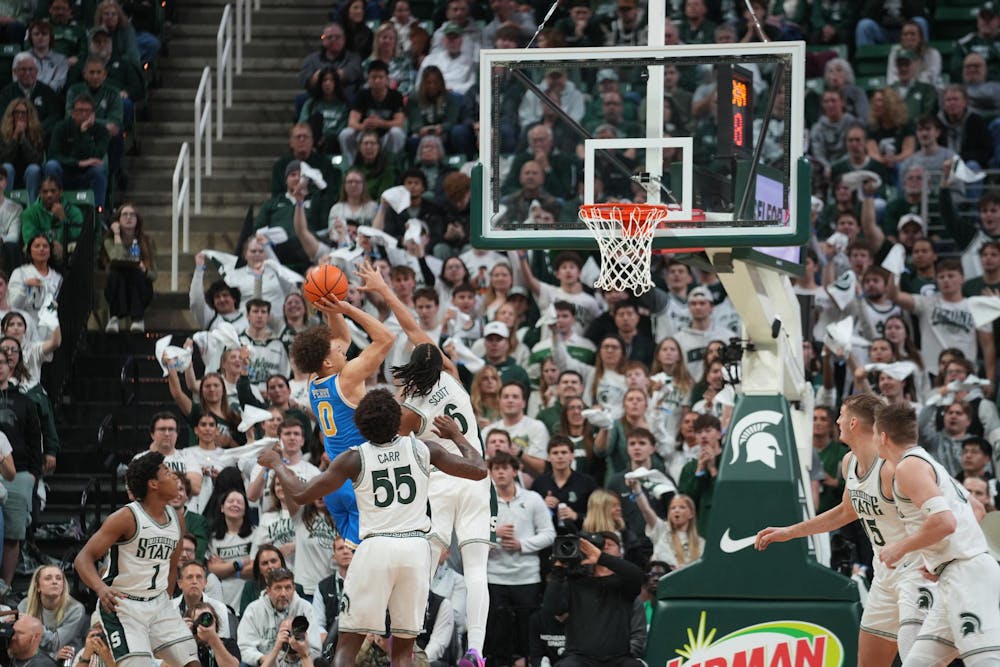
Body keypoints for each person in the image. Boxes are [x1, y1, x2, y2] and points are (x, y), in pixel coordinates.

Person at [258, 390, 488, 667]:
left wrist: (276, 463)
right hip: (416, 551)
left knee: (347, 647)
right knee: (402, 652)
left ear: (360, 425)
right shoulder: (423, 448)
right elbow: (478, 469)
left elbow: (300, 493)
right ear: (396, 419)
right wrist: (456, 435)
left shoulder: (353, 459)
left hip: (375, 549)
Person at [358, 262, 489, 667]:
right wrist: (386, 291)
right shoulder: (452, 375)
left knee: (426, 563)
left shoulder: (412, 410)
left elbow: (382, 430)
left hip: (443, 478)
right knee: (476, 569)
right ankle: (476, 650)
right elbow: (414, 329)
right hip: (476, 476)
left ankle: (402, 637)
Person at [756, 394, 923, 665]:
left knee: (920, 659)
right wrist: (790, 532)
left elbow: (937, 515)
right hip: (884, 574)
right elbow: (846, 511)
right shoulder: (849, 462)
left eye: (842, 415)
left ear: (853, 422)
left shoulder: (893, 468)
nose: (837, 421)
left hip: (916, 571)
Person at [873, 402, 998, 667]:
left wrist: (900, 548)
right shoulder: (928, 462)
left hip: (968, 577)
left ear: (883, 437)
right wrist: (940, 558)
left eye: (874, 434)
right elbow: (976, 509)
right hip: (954, 573)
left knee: (986, 661)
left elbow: (944, 522)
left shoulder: (908, 467)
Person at [287, 276, 394, 546]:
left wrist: (330, 308)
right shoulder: (346, 378)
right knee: (366, 553)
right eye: (334, 349)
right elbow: (386, 338)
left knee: (349, 551)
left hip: (334, 482)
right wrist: (347, 308)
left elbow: (341, 337)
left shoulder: (313, 380)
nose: (339, 347)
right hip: (358, 479)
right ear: (327, 360)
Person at [73, 452, 200, 667]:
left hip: (158, 603)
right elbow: (83, 558)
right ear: (153, 484)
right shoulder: (126, 517)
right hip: (124, 606)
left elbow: (172, 568)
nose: (175, 476)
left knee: (192, 663)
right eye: (167, 472)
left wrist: (166, 602)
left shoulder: (177, 518)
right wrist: (100, 588)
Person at [484, 451, 555, 667]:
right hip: (494, 576)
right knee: (497, 634)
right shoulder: (484, 500)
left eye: (505, 468)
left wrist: (521, 545)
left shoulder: (532, 499)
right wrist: (494, 535)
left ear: (515, 471)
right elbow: (470, 536)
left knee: (527, 634)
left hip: (527, 577)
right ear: (490, 472)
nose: (501, 472)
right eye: (496, 468)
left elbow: (549, 534)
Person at [542, 531, 645, 667]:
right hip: (579, 657)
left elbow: (637, 575)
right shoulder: (575, 581)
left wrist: (601, 557)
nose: (604, 548)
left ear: (620, 551)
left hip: (619, 658)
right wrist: (558, 569)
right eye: (599, 546)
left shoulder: (625, 584)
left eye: (609, 545)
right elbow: (552, 608)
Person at [236, 567, 320, 667]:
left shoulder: (305, 608)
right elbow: (244, 647)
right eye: (278, 588)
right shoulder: (254, 610)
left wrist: (299, 652)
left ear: (294, 588)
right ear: (268, 590)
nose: (283, 594)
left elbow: (316, 649)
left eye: (288, 588)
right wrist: (263, 659)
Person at [44, 93, 109, 210]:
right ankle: (51, 209)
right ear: (73, 113)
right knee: (51, 165)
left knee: (99, 169)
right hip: (64, 173)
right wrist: (78, 163)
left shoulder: (101, 131)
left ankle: (98, 213)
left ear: (93, 114)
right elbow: (53, 155)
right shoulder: (61, 127)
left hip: (87, 174)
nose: (83, 114)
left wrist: (84, 133)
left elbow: (97, 156)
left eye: (87, 111)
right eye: (80, 111)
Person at [17, 565, 87, 662]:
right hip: (35, 656)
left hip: (68, 657)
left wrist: (31, 625)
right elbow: (23, 643)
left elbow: (56, 644)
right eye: (48, 578)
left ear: (63, 585)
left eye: (58, 578)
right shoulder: (25, 605)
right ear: (38, 586)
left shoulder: (75, 609)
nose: (54, 582)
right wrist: (52, 655)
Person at [103, 202, 154, 333]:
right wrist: (116, 235)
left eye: (132, 215)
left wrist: (144, 270)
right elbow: (118, 257)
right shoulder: (109, 241)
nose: (129, 217)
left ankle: (138, 319)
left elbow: (154, 275)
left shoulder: (146, 241)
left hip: (140, 287)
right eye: (124, 214)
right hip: (117, 286)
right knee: (116, 272)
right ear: (118, 220)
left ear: (137, 220)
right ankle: (114, 318)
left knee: (136, 272)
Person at [185, 603, 239, 667]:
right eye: (199, 620)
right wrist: (184, 636)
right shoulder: (186, 647)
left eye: (209, 618)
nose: (205, 622)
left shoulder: (228, 643)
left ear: (215, 622)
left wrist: (212, 638)